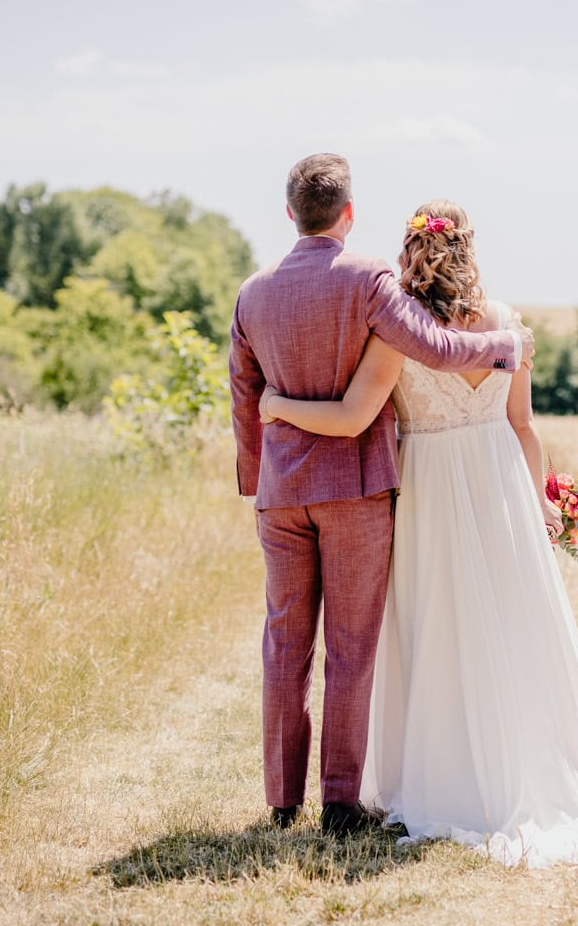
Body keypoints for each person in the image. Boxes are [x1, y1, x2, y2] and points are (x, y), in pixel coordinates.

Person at [258, 199, 578, 866]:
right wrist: (541, 504)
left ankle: (439, 776)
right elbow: (524, 426)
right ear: (469, 251)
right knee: (507, 626)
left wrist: (277, 406)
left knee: (435, 627)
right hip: (499, 481)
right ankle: (515, 771)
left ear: (411, 253)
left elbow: (353, 415)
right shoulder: (508, 325)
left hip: (429, 487)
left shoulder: (397, 330)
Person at [228, 155, 535, 837]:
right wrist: (505, 347)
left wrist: (257, 478)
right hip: (354, 490)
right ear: (349, 212)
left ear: (289, 214)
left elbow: (243, 395)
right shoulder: (367, 279)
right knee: (351, 646)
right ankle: (339, 804)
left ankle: (282, 802)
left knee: (284, 642)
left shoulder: (252, 293)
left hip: (281, 496)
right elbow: (430, 344)